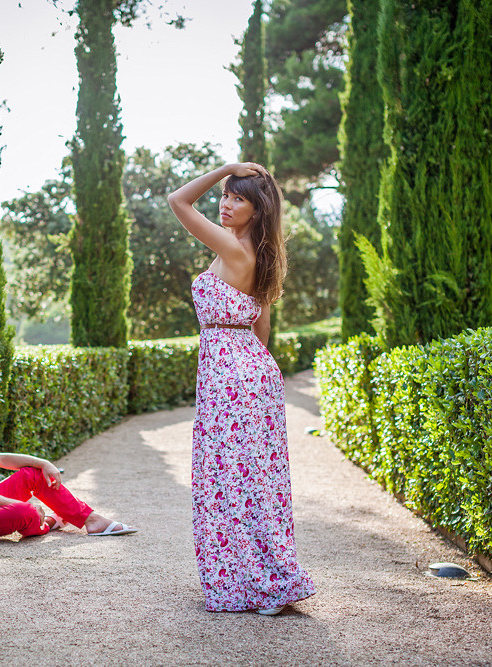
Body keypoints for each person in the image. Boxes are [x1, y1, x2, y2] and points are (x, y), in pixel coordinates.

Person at [167, 162, 316, 615]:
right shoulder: (260, 254)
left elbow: (177, 200)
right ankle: (260, 578)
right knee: (252, 478)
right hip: (250, 370)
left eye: (238, 198)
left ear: (257, 210)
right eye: (226, 194)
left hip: (231, 374)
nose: (226, 204)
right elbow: (262, 327)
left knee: (232, 479)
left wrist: (224, 169)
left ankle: (263, 583)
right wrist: (250, 375)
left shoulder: (233, 247)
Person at [0, 389, 137, 541]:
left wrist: (44, 463)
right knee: (26, 512)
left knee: (33, 474)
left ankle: (91, 520)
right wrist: (26, 507)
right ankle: (46, 523)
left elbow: (1, 460)